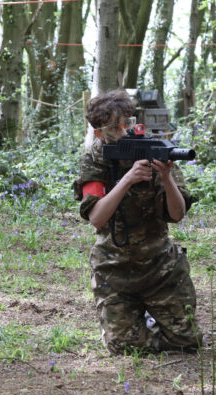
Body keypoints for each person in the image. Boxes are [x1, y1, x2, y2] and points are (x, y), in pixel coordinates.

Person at [73, 89, 200, 355]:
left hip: (161, 270)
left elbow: (177, 215)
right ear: (99, 133)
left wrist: (166, 178)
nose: (124, 131)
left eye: (127, 123)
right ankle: (139, 323)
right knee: (125, 348)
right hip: (114, 272)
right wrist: (128, 179)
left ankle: (152, 320)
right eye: (115, 128)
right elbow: (96, 218)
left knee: (186, 343)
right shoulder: (95, 160)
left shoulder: (151, 150)